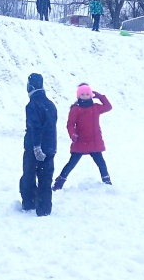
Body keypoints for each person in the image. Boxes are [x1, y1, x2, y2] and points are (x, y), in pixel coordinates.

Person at [52, 84, 113, 190]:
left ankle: (107, 182)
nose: (85, 96)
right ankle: (59, 182)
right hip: (81, 141)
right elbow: (70, 124)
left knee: (101, 163)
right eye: (82, 94)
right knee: (71, 163)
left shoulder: (96, 107)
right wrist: (73, 134)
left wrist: (101, 97)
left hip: (94, 142)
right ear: (78, 96)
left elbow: (108, 107)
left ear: (90, 95)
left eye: (87, 94)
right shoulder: (76, 109)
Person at [21, 73, 57, 216]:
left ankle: (29, 203)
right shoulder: (50, 104)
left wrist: (36, 146)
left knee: (28, 175)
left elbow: (35, 126)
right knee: (45, 178)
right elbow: (50, 127)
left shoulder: (32, 105)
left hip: (34, 148)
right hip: (50, 147)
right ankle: (44, 209)